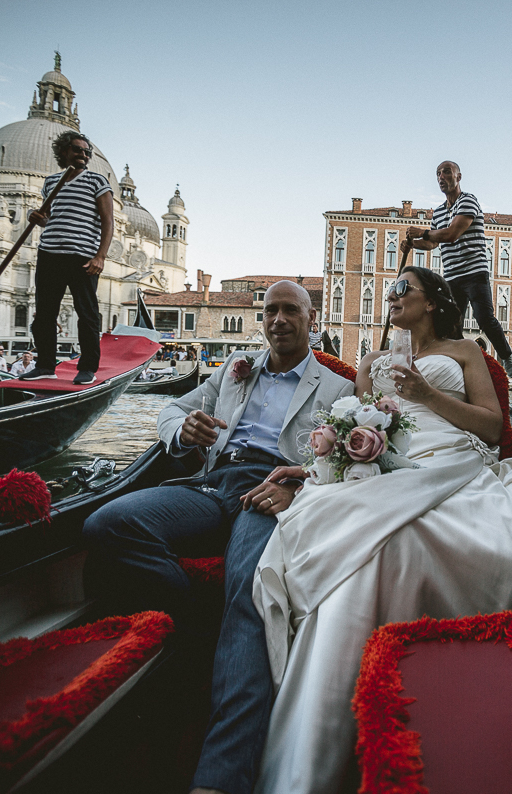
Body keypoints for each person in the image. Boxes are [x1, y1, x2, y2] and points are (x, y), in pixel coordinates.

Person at [252, 266, 512, 793]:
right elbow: (358, 428)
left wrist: (426, 394)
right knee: (361, 543)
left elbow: (491, 425)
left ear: (432, 301)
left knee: (390, 542)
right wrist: (324, 462)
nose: (390, 297)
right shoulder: (371, 362)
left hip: (456, 458)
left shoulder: (466, 352)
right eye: (389, 291)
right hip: (391, 462)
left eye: (400, 290)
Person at [81, 281, 353, 794]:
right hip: (211, 483)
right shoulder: (233, 369)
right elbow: (170, 410)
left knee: (249, 589)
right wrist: (183, 432)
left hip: (272, 488)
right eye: (270, 310)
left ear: (311, 319)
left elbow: (345, 467)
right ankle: (198, 622)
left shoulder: (339, 388)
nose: (278, 320)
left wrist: (300, 489)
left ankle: (222, 775)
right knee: (108, 525)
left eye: (290, 310)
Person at [404, 160, 512, 379]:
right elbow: (433, 243)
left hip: (474, 271)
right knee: (451, 324)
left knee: (484, 318)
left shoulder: (468, 201)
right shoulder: (438, 213)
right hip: (452, 276)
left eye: (446, 172)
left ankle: (506, 355)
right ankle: (460, 365)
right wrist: (413, 244)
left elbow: (451, 234)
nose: (441, 177)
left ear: (458, 176)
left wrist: (423, 232)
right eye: (438, 174)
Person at [22, 131, 112, 386]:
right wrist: (37, 218)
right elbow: (50, 217)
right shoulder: (51, 183)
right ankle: (45, 365)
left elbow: (108, 221)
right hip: (49, 253)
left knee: (87, 314)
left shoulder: (97, 181)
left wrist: (100, 257)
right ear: (63, 152)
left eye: (86, 151)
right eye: (77, 149)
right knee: (44, 315)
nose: (83, 155)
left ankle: (87, 368)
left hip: (83, 255)